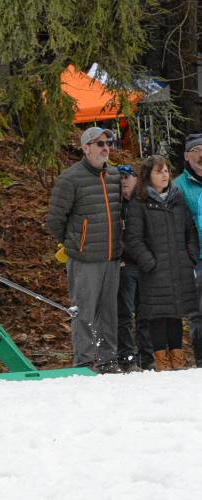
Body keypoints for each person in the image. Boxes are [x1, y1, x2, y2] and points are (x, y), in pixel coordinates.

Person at [46, 127, 123, 374]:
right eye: (99, 143)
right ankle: (84, 363)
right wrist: (75, 244)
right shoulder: (70, 179)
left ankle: (109, 360)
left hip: (111, 257)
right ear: (85, 147)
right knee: (84, 313)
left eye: (107, 142)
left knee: (109, 313)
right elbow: (55, 221)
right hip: (84, 259)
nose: (105, 147)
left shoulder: (113, 176)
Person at [124, 155, 199, 370]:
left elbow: (190, 231)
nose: (165, 175)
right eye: (159, 171)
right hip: (154, 270)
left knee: (176, 314)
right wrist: (149, 262)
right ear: (148, 176)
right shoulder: (140, 202)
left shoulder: (177, 198)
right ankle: (162, 363)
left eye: (166, 170)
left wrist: (190, 257)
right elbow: (133, 239)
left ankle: (178, 360)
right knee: (158, 315)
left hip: (180, 267)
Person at [115, 165, 154, 371]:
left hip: (145, 265)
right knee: (125, 314)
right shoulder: (114, 205)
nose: (123, 181)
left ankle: (147, 357)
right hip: (124, 265)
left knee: (145, 313)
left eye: (127, 177)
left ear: (136, 179)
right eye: (119, 178)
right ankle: (126, 357)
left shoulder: (144, 202)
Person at [175, 133, 202, 367]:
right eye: (197, 150)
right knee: (199, 313)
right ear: (186, 156)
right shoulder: (178, 187)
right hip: (196, 258)